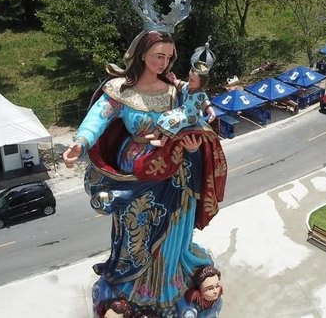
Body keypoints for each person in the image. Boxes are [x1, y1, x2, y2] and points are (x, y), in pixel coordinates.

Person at [63, 30, 227, 317]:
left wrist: (193, 143)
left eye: (168, 57)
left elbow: (194, 112)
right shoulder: (121, 90)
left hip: (178, 171)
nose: (163, 63)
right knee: (135, 232)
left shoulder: (175, 89)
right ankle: (135, 287)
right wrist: (80, 143)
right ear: (141, 54)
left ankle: (169, 284)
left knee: (176, 228)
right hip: (138, 170)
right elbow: (98, 118)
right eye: (158, 56)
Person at [145, 61, 216, 147]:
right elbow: (179, 84)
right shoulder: (188, 87)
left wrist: (212, 113)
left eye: (192, 80)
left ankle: (162, 141)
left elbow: (206, 104)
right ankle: (156, 134)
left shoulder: (201, 95)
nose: (189, 81)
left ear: (201, 84)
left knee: (175, 121)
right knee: (166, 115)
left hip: (191, 116)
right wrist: (173, 79)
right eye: (189, 78)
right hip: (182, 110)